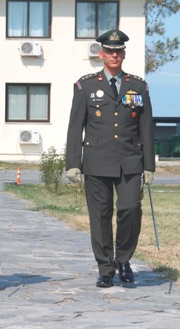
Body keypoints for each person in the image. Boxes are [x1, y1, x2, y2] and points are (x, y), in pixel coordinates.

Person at [65, 29, 155, 288]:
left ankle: (123, 260)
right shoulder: (86, 86)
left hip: (130, 161)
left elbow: (146, 128)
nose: (114, 55)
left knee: (130, 209)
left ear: (123, 54)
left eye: (118, 51)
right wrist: (73, 164)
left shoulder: (138, 86)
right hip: (96, 161)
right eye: (110, 51)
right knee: (100, 216)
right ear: (101, 54)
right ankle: (105, 268)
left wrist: (149, 165)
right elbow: (75, 128)